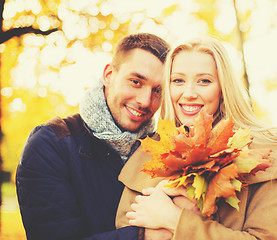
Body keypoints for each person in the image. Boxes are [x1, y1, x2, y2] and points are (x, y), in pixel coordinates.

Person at [115, 37, 277, 240]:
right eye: (178, 81)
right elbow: (125, 231)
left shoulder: (265, 149)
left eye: (204, 81)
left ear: (222, 89)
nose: (189, 93)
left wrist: (174, 219)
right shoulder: (149, 151)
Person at [15, 33, 170, 240]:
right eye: (135, 81)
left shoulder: (164, 152)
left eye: (158, 90)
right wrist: (143, 235)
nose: (145, 100)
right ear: (108, 75)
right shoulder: (50, 144)